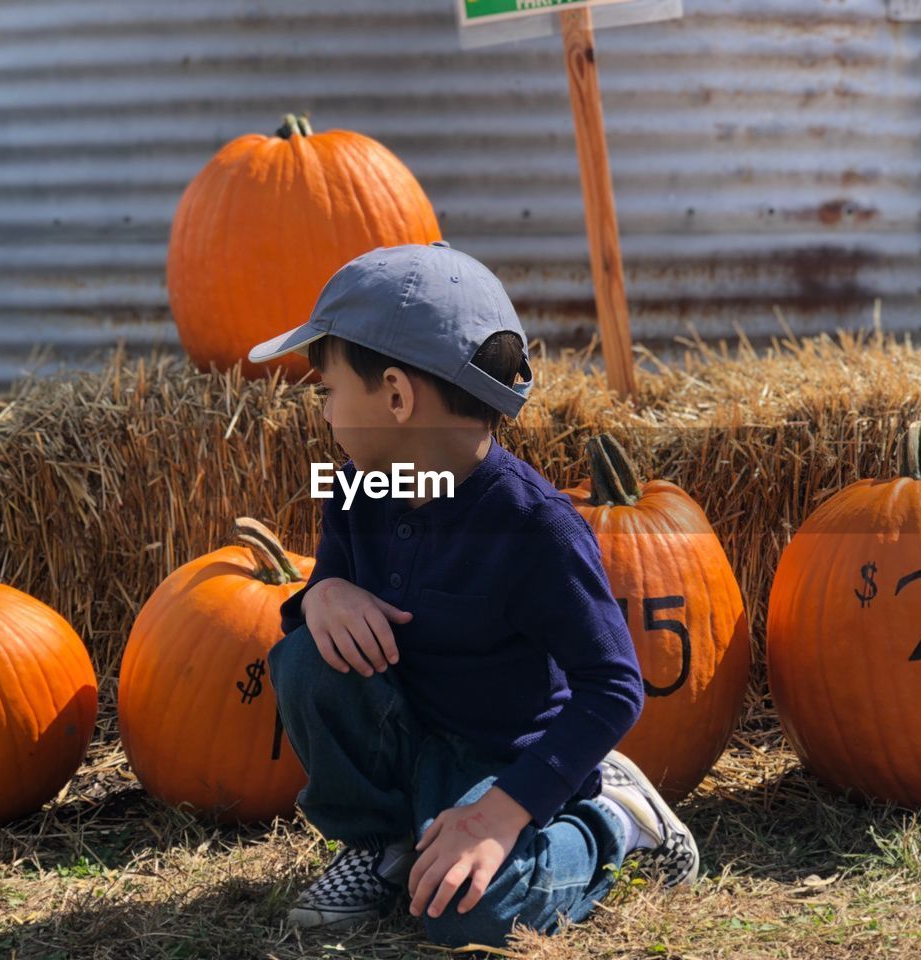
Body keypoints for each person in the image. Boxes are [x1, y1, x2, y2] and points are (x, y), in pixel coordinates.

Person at [248, 240, 699, 950]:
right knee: (307, 656)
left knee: (469, 918)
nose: (327, 414)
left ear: (396, 396)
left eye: (329, 392)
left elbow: (612, 686)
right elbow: (324, 586)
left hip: (502, 762)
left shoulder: (534, 528)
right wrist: (324, 593)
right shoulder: (360, 485)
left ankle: (615, 824)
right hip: (407, 741)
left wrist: (505, 808)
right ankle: (381, 845)